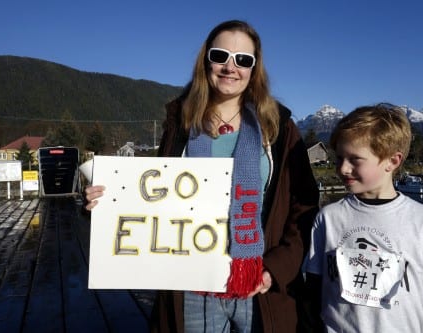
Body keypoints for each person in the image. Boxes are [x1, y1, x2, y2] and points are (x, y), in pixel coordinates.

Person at [85, 19, 319, 332]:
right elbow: (157, 197)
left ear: (254, 68)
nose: (230, 67)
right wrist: (107, 201)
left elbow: (303, 206)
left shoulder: (278, 127)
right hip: (192, 282)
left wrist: (276, 269)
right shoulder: (181, 123)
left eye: (243, 60)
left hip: (257, 280)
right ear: (206, 60)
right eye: (220, 55)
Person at [305, 105, 423, 332]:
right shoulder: (328, 218)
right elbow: (312, 292)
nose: (343, 168)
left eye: (355, 159)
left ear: (392, 161)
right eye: (339, 158)